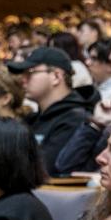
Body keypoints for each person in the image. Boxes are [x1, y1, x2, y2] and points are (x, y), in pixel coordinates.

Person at [7, 47, 99, 176]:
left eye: (30, 72)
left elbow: (42, 171)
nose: (23, 79)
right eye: (23, 74)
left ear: (56, 76)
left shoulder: (76, 119)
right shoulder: (33, 118)